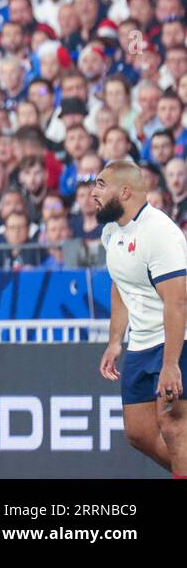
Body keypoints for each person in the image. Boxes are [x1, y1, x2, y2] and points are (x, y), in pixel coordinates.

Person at [95, 160, 187, 476]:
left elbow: (177, 303)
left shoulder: (159, 233)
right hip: (141, 343)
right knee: (139, 432)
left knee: (175, 426)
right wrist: (114, 341)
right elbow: (121, 286)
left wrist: (171, 363)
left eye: (100, 185)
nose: (93, 193)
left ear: (125, 191)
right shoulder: (111, 232)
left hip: (177, 338)